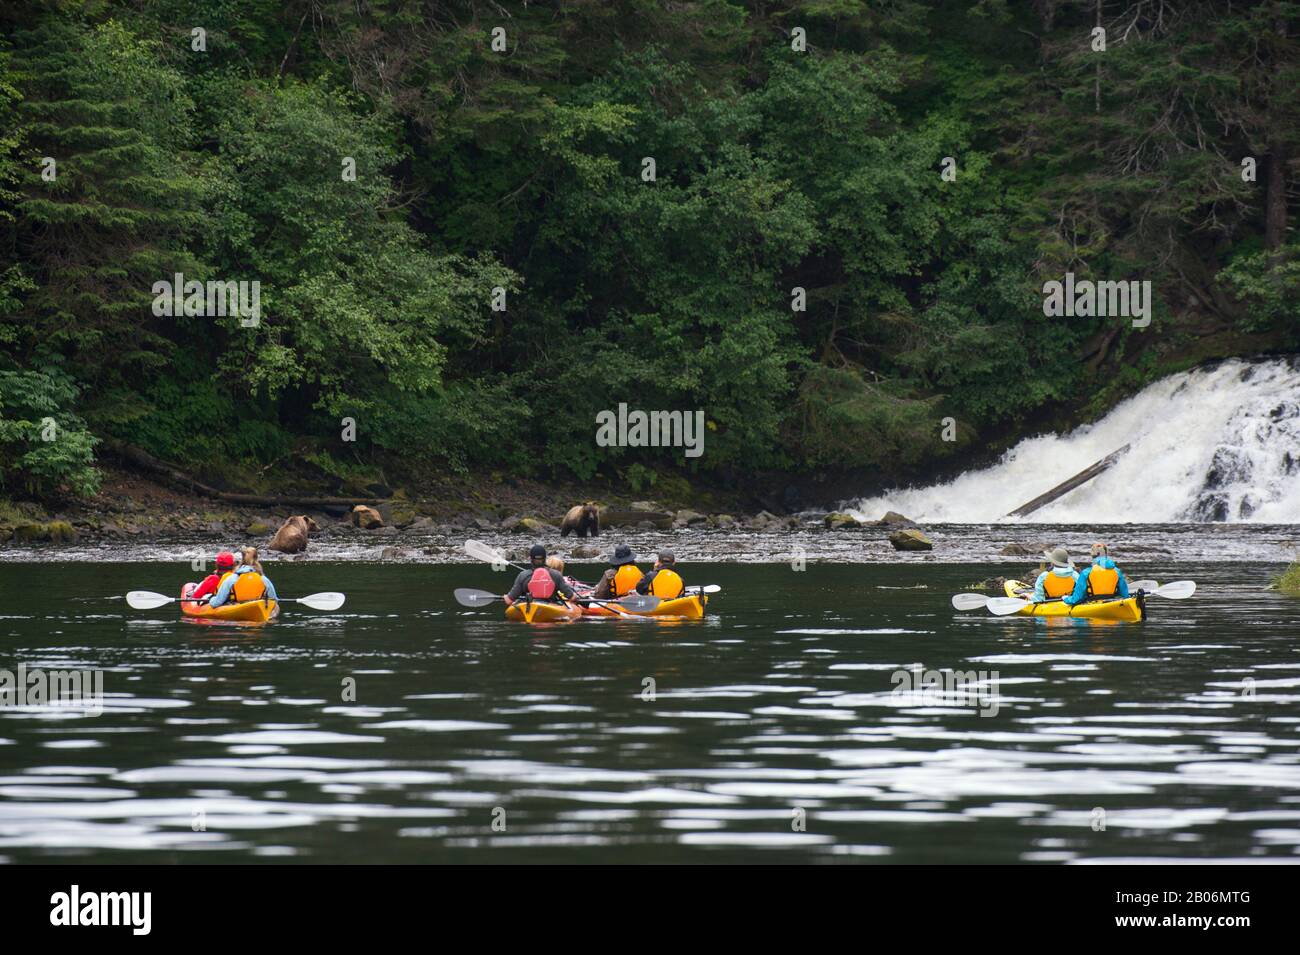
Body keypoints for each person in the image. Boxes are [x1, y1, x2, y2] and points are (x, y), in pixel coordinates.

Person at [504, 544, 576, 606]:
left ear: (531, 559)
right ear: (545, 559)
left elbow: (509, 601)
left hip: (530, 606)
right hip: (550, 607)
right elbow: (572, 598)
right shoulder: (556, 575)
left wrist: (505, 597)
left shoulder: (523, 576)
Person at [1063, 542, 1129, 606]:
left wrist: (1066, 599)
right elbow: (1125, 595)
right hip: (1111, 601)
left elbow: (1076, 599)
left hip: (1092, 603)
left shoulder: (1086, 572)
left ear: (1093, 555)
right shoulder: (1117, 571)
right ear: (1106, 554)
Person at [210, 546, 278, 607]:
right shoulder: (264, 579)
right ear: (256, 559)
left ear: (241, 560)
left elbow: (216, 603)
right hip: (257, 607)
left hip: (236, 607)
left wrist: (211, 600)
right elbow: (274, 600)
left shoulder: (231, 579)